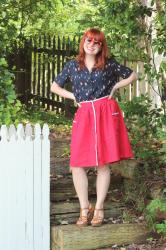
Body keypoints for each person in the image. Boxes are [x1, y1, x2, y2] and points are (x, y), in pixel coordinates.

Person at [51, 28, 137, 227]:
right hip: (84, 114)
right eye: (89, 40)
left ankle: (99, 208)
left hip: (105, 113)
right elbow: (54, 86)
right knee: (77, 163)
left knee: (103, 163)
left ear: (101, 46)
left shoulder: (108, 64)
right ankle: (84, 207)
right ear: (83, 42)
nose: (92, 44)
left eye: (96, 42)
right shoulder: (73, 66)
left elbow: (132, 75)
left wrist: (115, 87)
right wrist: (74, 97)